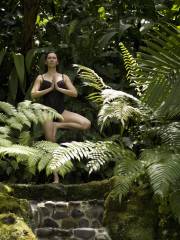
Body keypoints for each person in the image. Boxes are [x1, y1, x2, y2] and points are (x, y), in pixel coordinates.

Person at [31, 51, 91, 183]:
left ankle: (58, 125)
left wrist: (59, 88)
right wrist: (49, 89)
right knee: (52, 145)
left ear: (57, 62)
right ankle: (56, 178)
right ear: (46, 62)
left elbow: (74, 93)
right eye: (49, 58)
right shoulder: (41, 77)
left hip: (61, 112)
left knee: (86, 123)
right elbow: (33, 94)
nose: (52, 60)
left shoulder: (64, 77)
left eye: (54, 58)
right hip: (47, 113)